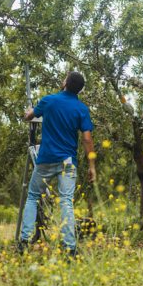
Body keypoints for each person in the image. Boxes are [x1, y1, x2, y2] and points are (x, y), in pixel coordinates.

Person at [18, 71, 96, 257]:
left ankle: (24, 241)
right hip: (68, 162)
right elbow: (87, 138)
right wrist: (92, 166)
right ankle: (70, 248)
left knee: (32, 196)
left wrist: (28, 111)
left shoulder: (49, 100)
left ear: (66, 83)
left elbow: (29, 116)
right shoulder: (81, 109)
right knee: (67, 201)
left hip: (46, 160)